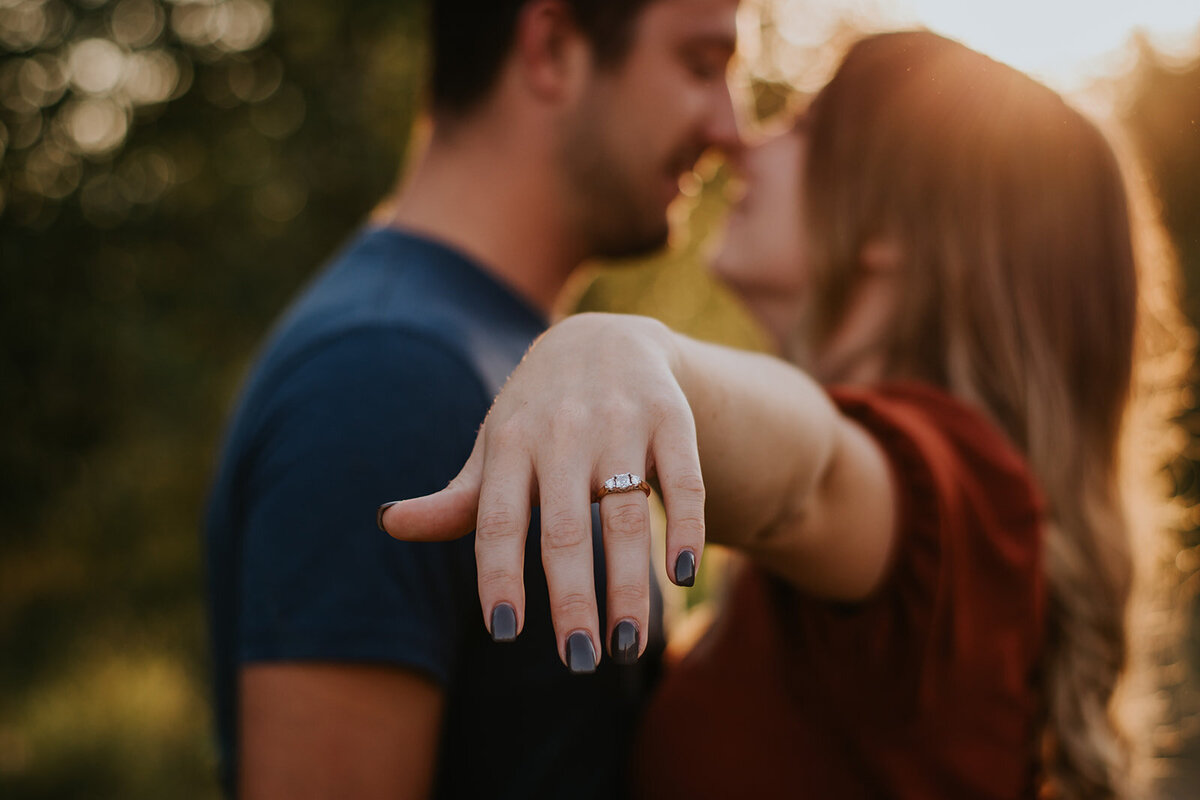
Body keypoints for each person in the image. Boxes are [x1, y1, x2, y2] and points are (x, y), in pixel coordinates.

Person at [380, 30, 1190, 799]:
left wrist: (622, 353)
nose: (744, 144)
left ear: (887, 225)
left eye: (803, 126)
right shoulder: (930, 540)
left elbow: (814, 471)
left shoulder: (959, 493)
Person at [204, 0, 741, 797]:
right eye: (700, 65)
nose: (730, 126)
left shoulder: (496, 356)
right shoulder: (382, 377)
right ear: (551, 47)